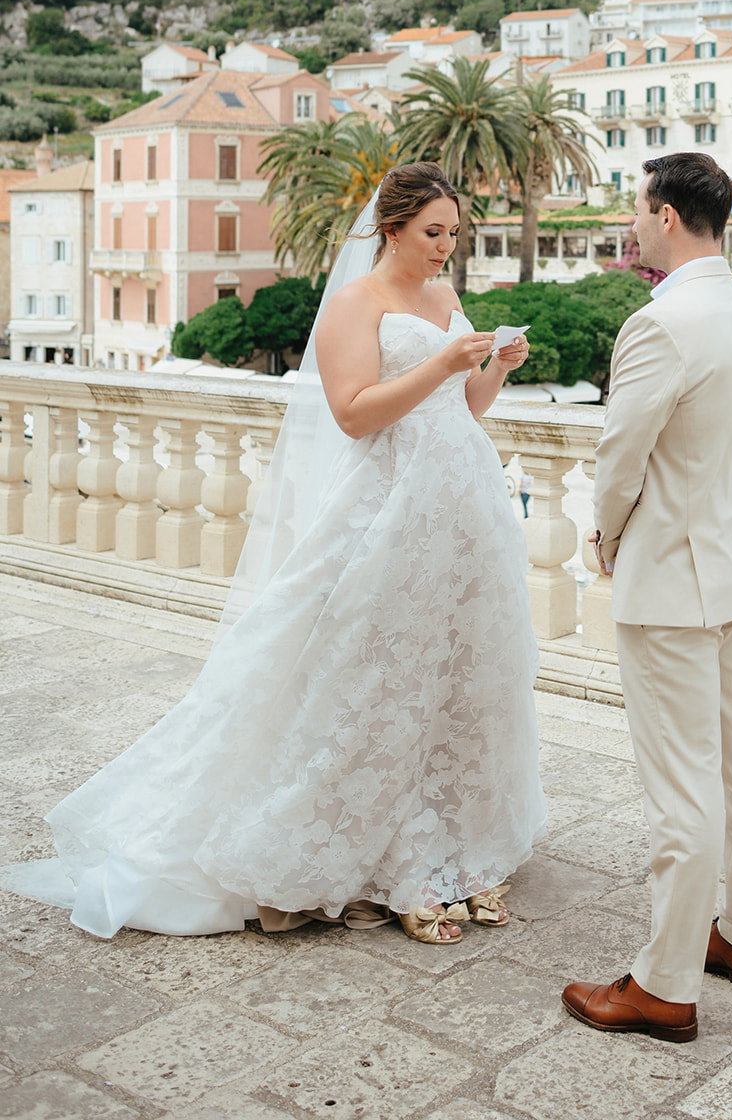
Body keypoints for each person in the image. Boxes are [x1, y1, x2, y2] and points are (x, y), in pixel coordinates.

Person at [2, 163, 546, 947]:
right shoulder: (356, 305)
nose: (446, 250)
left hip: (462, 507)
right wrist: (442, 361)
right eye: (434, 234)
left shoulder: (445, 299)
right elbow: (356, 416)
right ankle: (372, 850)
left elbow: (458, 409)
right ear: (390, 228)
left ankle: (448, 848)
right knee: (373, 673)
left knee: (460, 673)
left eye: (455, 235)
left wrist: (491, 368)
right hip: (386, 510)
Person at [562, 153, 732, 1045]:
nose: (633, 221)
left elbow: (622, 458)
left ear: (663, 217)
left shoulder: (660, 324)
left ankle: (663, 985)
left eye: (637, 208)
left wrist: (606, 537)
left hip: (674, 581)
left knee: (682, 787)